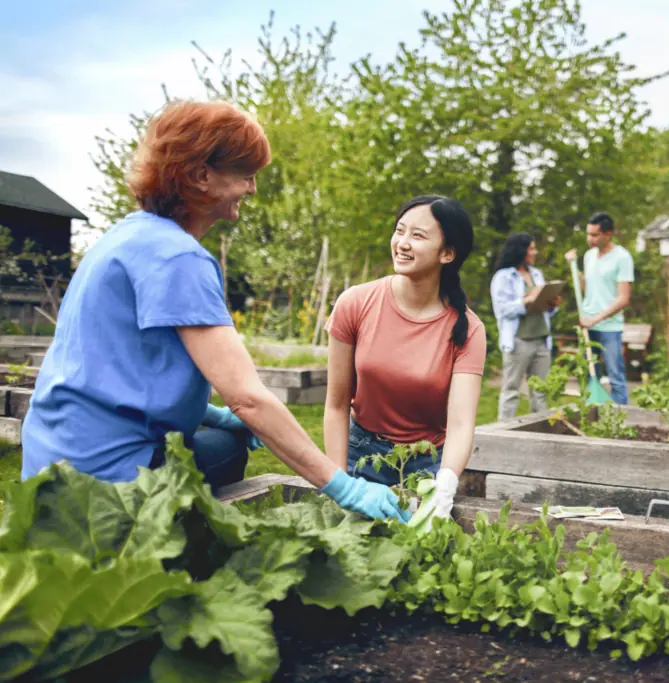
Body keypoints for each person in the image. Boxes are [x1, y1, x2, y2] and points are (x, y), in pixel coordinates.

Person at [21, 100, 407, 522]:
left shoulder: (123, 238)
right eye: (246, 174)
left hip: (52, 462)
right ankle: (174, 540)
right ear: (202, 175)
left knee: (213, 432)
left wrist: (213, 414)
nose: (253, 188)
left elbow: (119, 370)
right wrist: (344, 486)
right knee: (229, 448)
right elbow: (249, 399)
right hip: (107, 480)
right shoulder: (179, 259)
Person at [323, 195, 486, 521]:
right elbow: (336, 404)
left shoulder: (468, 330)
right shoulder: (355, 303)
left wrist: (446, 485)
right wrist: (338, 480)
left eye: (418, 235)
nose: (402, 243)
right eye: (400, 231)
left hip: (425, 466)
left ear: (447, 253)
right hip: (360, 455)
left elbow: (460, 424)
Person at [563, 212, 634, 405]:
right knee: (588, 373)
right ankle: (592, 414)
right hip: (588, 325)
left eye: (594, 235)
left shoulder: (622, 258)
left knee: (615, 375)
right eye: (588, 234)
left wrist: (596, 319)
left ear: (608, 234)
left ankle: (621, 419)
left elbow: (623, 298)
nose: (589, 239)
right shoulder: (589, 256)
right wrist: (574, 269)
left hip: (609, 328)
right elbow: (589, 288)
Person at [490, 233, 562, 420]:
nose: (534, 252)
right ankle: (503, 432)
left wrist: (552, 304)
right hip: (519, 341)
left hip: (541, 340)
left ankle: (540, 431)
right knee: (511, 389)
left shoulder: (536, 274)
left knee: (540, 391)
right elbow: (503, 309)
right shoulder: (503, 277)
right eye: (531, 248)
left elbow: (543, 310)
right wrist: (526, 301)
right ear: (520, 250)